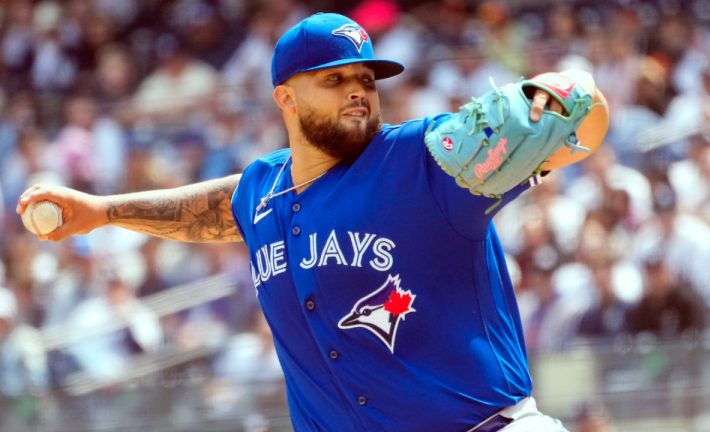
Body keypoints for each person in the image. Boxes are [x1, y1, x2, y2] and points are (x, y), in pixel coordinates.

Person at [17, 12, 605, 432]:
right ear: (285, 98)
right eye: (335, 79)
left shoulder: (426, 159)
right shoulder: (264, 191)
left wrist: (568, 96)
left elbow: (579, 115)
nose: (358, 93)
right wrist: (104, 212)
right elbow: (223, 209)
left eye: (367, 81)